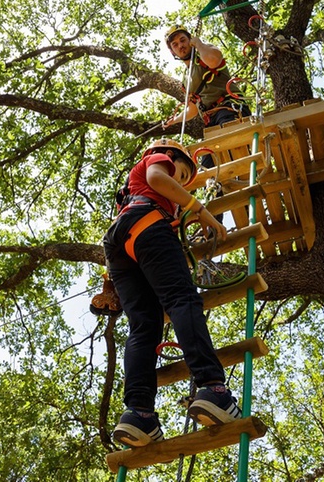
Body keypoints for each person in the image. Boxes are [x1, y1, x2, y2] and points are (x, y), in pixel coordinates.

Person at [103, 138, 242, 448]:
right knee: (183, 299)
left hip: (121, 245)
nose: (179, 184)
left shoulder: (138, 194)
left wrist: (184, 214)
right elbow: (157, 179)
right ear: (170, 156)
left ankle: (139, 413)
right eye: (181, 174)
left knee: (144, 326)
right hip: (146, 226)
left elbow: (159, 191)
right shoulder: (157, 160)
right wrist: (199, 208)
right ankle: (212, 388)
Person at [163, 25, 251, 131]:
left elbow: (214, 60)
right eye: (175, 44)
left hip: (228, 108)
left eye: (183, 40)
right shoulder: (186, 79)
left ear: (190, 40)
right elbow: (193, 108)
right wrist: (176, 120)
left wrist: (198, 44)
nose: (181, 45)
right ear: (172, 51)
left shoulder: (203, 53)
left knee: (232, 141)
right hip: (211, 120)